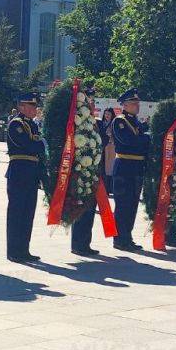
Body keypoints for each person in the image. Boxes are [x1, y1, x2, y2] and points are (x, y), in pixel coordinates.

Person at [5, 91, 46, 262]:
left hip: (31, 173)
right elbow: (28, 145)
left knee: (28, 212)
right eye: (31, 105)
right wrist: (39, 145)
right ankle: (14, 251)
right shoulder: (16, 124)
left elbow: (37, 147)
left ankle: (24, 249)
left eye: (36, 106)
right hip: (19, 171)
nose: (35, 108)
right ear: (21, 106)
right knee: (17, 212)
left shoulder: (33, 125)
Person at [110, 89, 148, 252]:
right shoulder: (120, 121)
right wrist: (146, 139)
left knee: (132, 204)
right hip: (124, 166)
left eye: (138, 103)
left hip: (136, 167)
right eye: (133, 104)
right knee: (123, 205)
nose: (137, 106)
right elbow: (130, 142)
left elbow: (141, 142)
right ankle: (119, 239)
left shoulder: (136, 122)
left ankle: (127, 237)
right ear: (125, 105)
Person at [69, 87, 106, 257]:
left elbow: (103, 141)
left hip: (93, 169)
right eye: (89, 100)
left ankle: (85, 242)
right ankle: (77, 243)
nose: (92, 103)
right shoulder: (78, 121)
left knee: (90, 208)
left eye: (93, 101)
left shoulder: (95, 122)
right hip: (80, 170)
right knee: (81, 205)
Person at [99, 107, 116, 195]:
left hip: (111, 147)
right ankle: (104, 188)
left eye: (109, 114)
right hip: (103, 148)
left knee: (110, 168)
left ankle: (110, 189)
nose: (107, 116)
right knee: (103, 168)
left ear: (112, 115)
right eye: (105, 114)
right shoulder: (101, 123)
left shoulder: (114, 124)